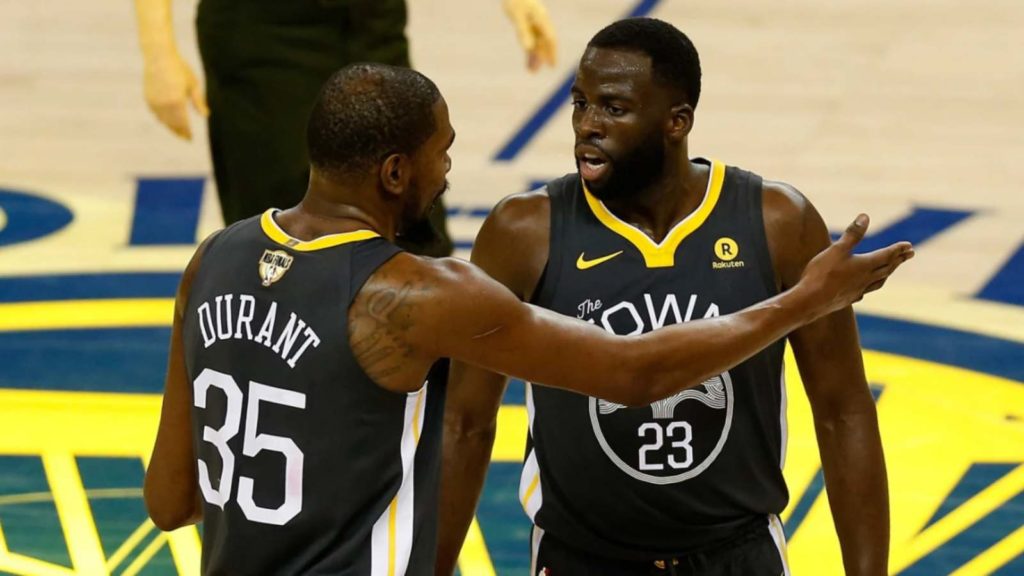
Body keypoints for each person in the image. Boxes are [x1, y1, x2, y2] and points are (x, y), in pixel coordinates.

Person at [142, 63, 910, 575]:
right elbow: (634, 372)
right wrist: (804, 301)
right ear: (395, 172)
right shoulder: (415, 295)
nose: (447, 174)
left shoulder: (212, 260)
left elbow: (169, 501)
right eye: (441, 154)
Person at [437, 17, 895, 576]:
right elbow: (464, 421)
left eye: (614, 108)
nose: (587, 126)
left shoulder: (777, 222)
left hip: (738, 555)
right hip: (581, 560)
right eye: (580, 104)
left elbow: (843, 411)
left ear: (677, 122)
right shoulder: (525, 231)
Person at [133, 0, 557, 256]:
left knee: (413, 222)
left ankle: (423, 398)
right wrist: (158, 52)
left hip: (371, 22)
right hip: (263, 29)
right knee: (280, 235)